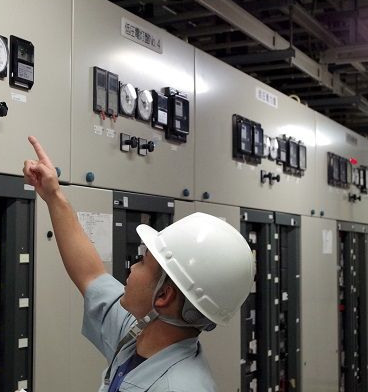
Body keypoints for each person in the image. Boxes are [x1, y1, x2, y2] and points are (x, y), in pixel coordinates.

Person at [23, 136, 255, 392]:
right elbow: (91, 274)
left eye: (143, 262)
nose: (132, 267)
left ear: (163, 296)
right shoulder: (138, 336)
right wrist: (53, 194)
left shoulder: (179, 387)